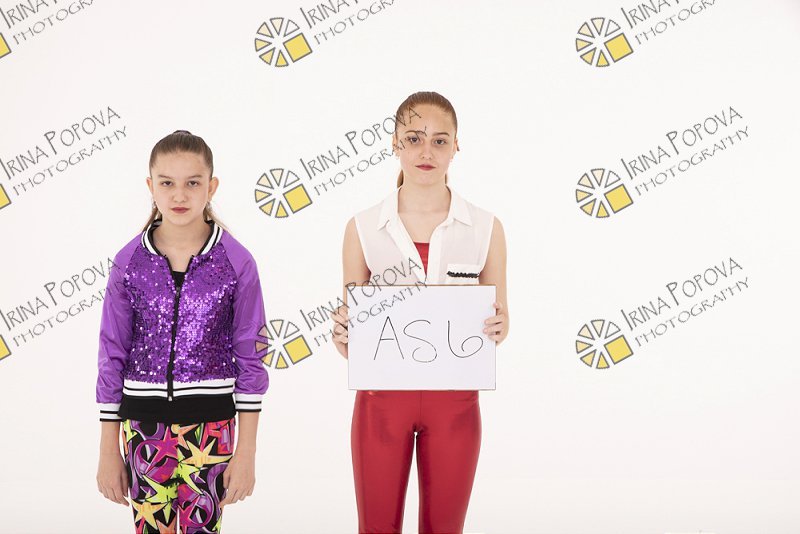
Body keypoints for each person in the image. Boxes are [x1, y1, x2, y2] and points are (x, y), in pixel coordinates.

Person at [331, 92, 509, 534]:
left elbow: (501, 322)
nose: (426, 151)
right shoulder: (362, 227)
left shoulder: (486, 227)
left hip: (456, 404)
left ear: (456, 147)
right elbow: (354, 333)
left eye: (439, 140)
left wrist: (499, 325)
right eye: (413, 138)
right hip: (380, 404)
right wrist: (345, 335)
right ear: (395, 144)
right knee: (376, 528)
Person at [95, 130, 269, 533]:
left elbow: (251, 357)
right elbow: (112, 354)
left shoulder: (237, 261)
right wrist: (108, 449)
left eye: (192, 183)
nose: (179, 195)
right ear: (150, 186)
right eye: (167, 183)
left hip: (211, 430)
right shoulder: (129, 262)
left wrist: (246, 452)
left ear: (211, 187)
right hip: (143, 428)